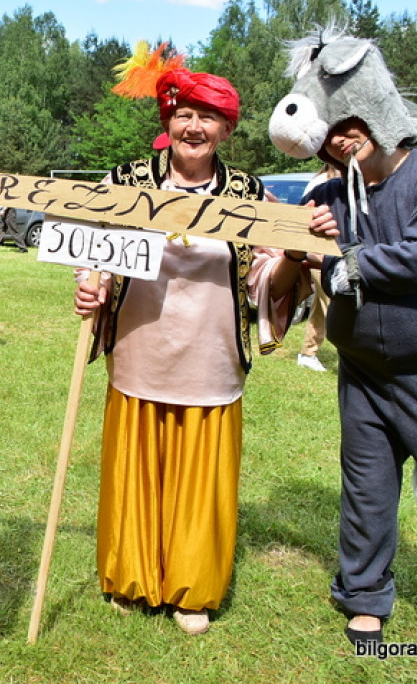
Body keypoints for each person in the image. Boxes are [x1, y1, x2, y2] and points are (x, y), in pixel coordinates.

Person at [74, 48, 338, 635]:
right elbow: (93, 253)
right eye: (183, 113)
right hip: (141, 349)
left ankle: (192, 588)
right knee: (137, 467)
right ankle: (133, 577)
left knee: (201, 476)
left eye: (207, 116)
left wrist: (293, 255)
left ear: (226, 128)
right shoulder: (125, 182)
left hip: (211, 356)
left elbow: (264, 278)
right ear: (167, 122)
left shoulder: (248, 192)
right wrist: (89, 289)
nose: (193, 126)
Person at [269, 25, 417, 645]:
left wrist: (341, 258)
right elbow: (298, 259)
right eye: (332, 129)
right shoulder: (326, 193)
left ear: (379, 111)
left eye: (353, 122)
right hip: (364, 377)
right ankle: (365, 596)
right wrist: (306, 239)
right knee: (367, 492)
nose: (343, 137)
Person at [296, 165, 341, 373]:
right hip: (319, 254)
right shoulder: (321, 183)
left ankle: (308, 352)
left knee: (321, 307)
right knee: (328, 305)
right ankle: (309, 353)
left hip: (338, 253)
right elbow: (302, 215)